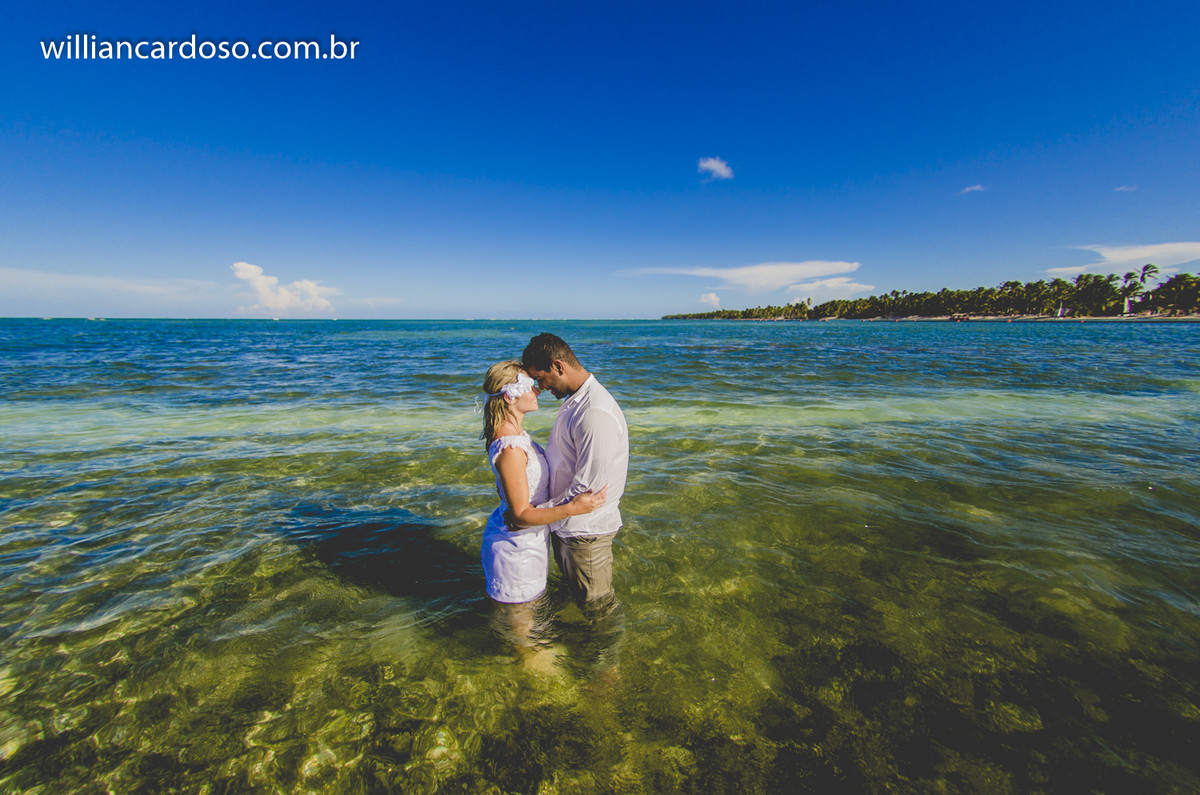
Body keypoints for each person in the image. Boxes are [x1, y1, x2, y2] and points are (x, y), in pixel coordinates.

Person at [478, 360, 607, 608]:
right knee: (523, 631)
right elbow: (520, 516)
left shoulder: (514, 436)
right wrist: (574, 508)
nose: (538, 390)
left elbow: (510, 488)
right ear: (509, 397)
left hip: (528, 543)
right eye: (529, 386)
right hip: (517, 551)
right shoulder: (511, 448)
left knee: (528, 622)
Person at [519, 333, 629, 608]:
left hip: (584, 534)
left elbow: (587, 493)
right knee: (581, 599)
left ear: (559, 366)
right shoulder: (576, 400)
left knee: (598, 608)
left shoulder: (594, 413)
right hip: (568, 527)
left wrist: (533, 516)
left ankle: (603, 652)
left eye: (541, 378)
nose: (540, 388)